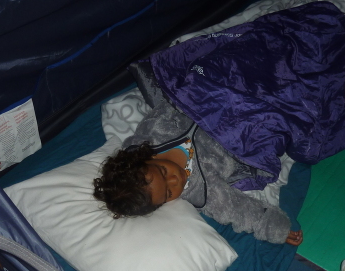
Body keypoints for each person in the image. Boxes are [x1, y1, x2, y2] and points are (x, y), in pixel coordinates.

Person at [93, 93, 303, 246]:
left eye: (163, 173)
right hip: (249, 130)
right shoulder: (202, 190)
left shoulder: (153, 132)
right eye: (168, 193)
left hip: (220, 96)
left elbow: (175, 98)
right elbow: (239, 209)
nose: (175, 180)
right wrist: (276, 228)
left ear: (146, 158)